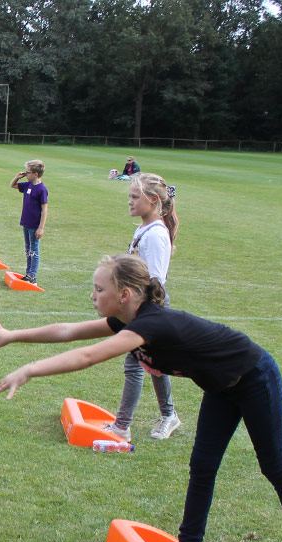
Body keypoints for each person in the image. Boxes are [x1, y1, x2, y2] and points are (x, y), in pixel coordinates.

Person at [0, 254, 282, 542]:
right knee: (202, 464)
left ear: (124, 295)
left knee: (272, 463)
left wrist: (29, 370)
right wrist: (14, 335)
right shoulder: (128, 320)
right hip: (220, 388)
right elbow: (69, 331)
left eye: (99, 289)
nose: (92, 296)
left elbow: (86, 356)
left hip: (254, 377)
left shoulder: (151, 324)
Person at [105, 173, 181, 442]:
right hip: (141, 307)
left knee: (135, 365)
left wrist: (143, 316)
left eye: (135, 197)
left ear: (152, 201)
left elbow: (156, 281)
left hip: (151, 306)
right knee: (153, 364)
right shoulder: (144, 229)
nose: (130, 202)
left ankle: (122, 426)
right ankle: (168, 414)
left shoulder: (156, 234)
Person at [9, 159, 48, 285]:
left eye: (28, 172)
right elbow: (12, 185)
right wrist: (18, 177)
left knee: (34, 250)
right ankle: (28, 273)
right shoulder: (28, 185)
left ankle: (32, 276)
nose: (26, 174)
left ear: (36, 174)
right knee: (28, 250)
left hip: (34, 225)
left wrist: (41, 228)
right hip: (25, 223)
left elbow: (44, 209)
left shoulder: (41, 189)